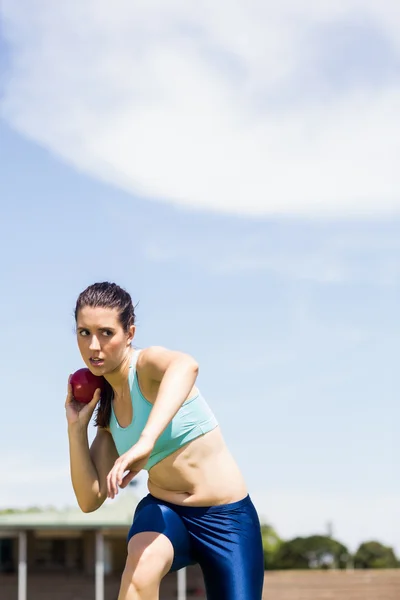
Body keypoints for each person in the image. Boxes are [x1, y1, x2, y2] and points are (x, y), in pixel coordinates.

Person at [65, 282, 264, 600]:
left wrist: (145, 442)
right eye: (84, 333)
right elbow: (90, 500)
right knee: (140, 570)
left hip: (227, 518)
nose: (94, 346)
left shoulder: (146, 366)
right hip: (166, 511)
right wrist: (75, 429)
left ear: (129, 333)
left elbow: (186, 365)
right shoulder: (108, 410)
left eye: (106, 332)